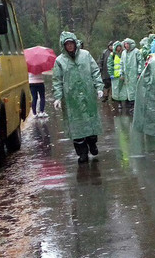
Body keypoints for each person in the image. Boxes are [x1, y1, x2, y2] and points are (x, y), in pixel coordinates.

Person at [52, 31, 104, 164]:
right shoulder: (60, 61)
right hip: (72, 99)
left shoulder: (86, 55)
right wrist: (58, 97)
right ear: (63, 46)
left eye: (71, 43)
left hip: (88, 95)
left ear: (75, 43)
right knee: (76, 127)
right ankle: (82, 153)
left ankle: (92, 144)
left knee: (91, 123)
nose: (69, 46)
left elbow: (95, 71)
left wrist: (99, 87)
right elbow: (57, 80)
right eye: (67, 44)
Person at [121, 37, 139, 114]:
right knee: (128, 90)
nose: (126, 45)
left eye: (127, 44)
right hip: (127, 75)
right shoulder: (124, 53)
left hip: (134, 74)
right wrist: (121, 73)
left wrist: (139, 73)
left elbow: (140, 62)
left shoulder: (136, 52)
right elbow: (121, 63)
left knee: (134, 90)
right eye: (125, 44)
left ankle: (134, 105)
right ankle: (130, 104)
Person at [111, 41, 127, 111]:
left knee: (124, 89)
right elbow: (110, 65)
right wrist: (111, 73)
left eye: (120, 47)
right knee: (117, 89)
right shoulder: (113, 55)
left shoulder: (124, 54)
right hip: (115, 76)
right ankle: (119, 103)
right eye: (117, 47)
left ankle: (125, 101)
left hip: (123, 75)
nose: (119, 48)